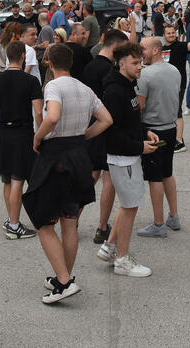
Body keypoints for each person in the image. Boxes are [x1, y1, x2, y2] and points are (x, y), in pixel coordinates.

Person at [24, 44, 113, 303]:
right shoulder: (85, 88)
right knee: (69, 222)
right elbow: (106, 119)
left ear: (50, 63)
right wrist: (83, 136)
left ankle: (63, 281)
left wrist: (38, 137)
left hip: (56, 157)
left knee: (42, 221)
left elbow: (52, 117)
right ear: (71, 63)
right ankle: (64, 276)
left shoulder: (53, 86)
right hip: (79, 156)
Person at [97, 43, 159, 277]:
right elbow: (111, 132)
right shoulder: (115, 91)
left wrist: (145, 132)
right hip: (123, 158)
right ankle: (122, 260)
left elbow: (129, 121)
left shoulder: (127, 85)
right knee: (130, 206)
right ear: (121, 64)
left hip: (128, 156)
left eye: (140, 62)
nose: (140, 66)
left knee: (127, 204)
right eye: (135, 63)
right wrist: (139, 147)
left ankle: (109, 246)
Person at [0, 40, 42, 239]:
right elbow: (38, 112)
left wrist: (1, 120)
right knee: (18, 178)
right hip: (22, 132)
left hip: (3, 133)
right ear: (23, 56)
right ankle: (14, 225)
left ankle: (12, 219)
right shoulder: (31, 81)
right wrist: (41, 134)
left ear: (7, 57)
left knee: (7, 179)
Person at [81, 29, 127, 245]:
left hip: (90, 124)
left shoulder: (89, 67)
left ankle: (73, 220)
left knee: (90, 176)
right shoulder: (110, 71)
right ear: (115, 47)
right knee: (108, 178)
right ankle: (101, 227)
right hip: (106, 127)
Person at [135, 37, 183, 238]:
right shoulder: (174, 71)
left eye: (143, 49)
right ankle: (174, 216)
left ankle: (158, 223)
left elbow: (139, 107)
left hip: (153, 130)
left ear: (155, 50)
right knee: (167, 173)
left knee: (154, 177)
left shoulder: (145, 75)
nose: (140, 53)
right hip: (170, 127)